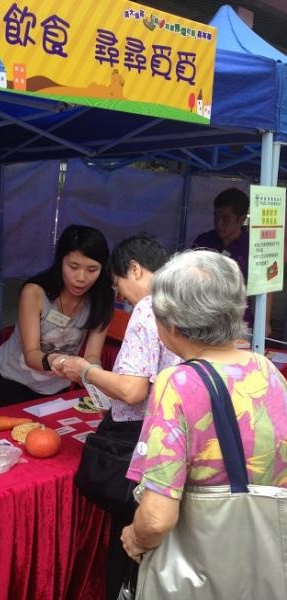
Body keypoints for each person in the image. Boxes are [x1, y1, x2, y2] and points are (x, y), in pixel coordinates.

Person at [121, 250, 286, 578]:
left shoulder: (178, 383)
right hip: (263, 555)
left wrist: (135, 538)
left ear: (171, 323)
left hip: (201, 564)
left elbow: (157, 519)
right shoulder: (266, 369)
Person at [59, 233, 180, 600]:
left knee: (130, 542)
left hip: (138, 438)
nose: (121, 296)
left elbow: (131, 391)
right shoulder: (181, 301)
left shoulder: (147, 307)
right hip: (172, 432)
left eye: (118, 285)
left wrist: (83, 370)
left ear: (135, 269)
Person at [0, 224, 114, 406]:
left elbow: (92, 355)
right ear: (60, 262)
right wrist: (61, 362)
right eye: (73, 266)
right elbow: (31, 354)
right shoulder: (34, 293)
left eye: (91, 269)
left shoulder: (102, 299)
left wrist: (92, 374)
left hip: (57, 388)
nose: (81, 277)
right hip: (13, 381)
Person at [192, 187, 273, 335]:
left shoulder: (255, 247)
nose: (218, 223)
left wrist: (265, 322)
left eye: (225, 219)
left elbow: (266, 287)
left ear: (241, 219)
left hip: (239, 324)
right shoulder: (203, 241)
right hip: (203, 320)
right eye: (216, 217)